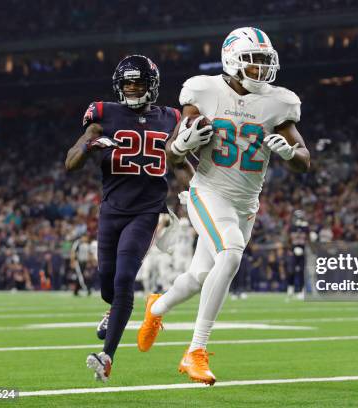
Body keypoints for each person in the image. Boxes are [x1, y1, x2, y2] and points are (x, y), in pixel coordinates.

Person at [136, 27, 310, 385]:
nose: (262, 69)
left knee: (200, 275)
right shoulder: (203, 90)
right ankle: (195, 351)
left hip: (246, 202)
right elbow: (171, 154)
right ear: (232, 60)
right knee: (230, 254)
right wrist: (182, 143)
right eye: (254, 61)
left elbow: (305, 160)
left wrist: (290, 154)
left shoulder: (279, 101)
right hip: (208, 191)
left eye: (266, 61)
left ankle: (155, 308)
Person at [65, 55, 184, 382]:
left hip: (146, 211)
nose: (132, 89)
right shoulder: (102, 113)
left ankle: (107, 358)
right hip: (112, 211)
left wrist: (195, 191)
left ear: (152, 86)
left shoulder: (171, 118)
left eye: (139, 83)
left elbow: (180, 160)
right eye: (128, 83)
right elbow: (70, 162)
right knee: (108, 284)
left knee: (123, 280)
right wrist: (90, 144)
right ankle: (113, 309)